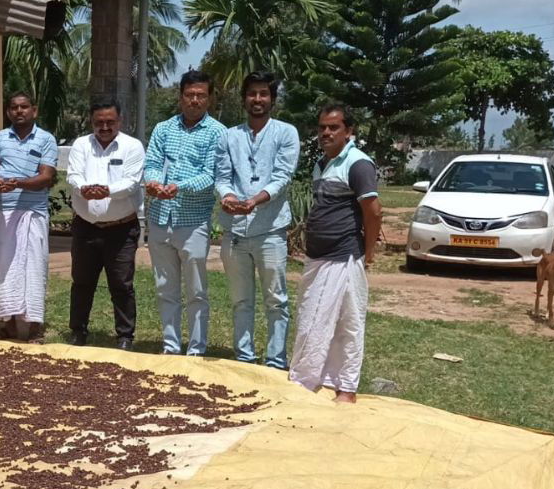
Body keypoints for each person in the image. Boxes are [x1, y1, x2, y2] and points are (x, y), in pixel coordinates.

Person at [289, 104, 383, 403]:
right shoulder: (322, 163)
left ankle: (345, 389)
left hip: (344, 257)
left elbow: (374, 212)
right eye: (322, 128)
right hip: (318, 259)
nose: (326, 133)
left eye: (334, 127)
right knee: (312, 321)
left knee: (346, 324)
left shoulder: (358, 164)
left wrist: (367, 254)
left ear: (349, 131)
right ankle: (315, 383)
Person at [215, 71, 300, 370]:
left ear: (272, 99)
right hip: (235, 231)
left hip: (271, 230)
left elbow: (282, 177)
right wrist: (227, 197)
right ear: (244, 99)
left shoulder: (286, 133)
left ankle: (276, 361)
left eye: (264, 93)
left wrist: (253, 200)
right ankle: (245, 359)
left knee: (276, 300)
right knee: (241, 300)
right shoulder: (229, 135)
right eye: (252, 93)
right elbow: (223, 176)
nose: (257, 99)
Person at [143, 70, 225, 356]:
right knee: (165, 287)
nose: (194, 100)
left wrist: (179, 187)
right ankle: (170, 345)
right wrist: (153, 182)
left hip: (193, 223)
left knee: (196, 290)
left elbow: (211, 176)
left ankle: (197, 348)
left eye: (201, 95)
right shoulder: (163, 129)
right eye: (189, 95)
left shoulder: (218, 133)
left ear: (209, 99)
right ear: (180, 97)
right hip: (159, 219)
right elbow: (151, 162)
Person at [65, 100, 145, 351]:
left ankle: (124, 336)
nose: (105, 127)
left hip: (121, 229)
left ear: (120, 122)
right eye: (99, 122)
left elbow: (132, 182)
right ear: (92, 122)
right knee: (82, 281)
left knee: (121, 284)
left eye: (110, 122)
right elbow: (73, 175)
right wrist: (83, 189)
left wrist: (105, 191)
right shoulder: (80, 145)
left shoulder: (132, 146)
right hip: (85, 227)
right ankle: (78, 332)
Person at [0, 92, 58, 343]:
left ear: (34, 110)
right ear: (8, 112)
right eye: (14, 108)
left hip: (33, 212)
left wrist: (17, 183)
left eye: (24, 107)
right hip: (3, 212)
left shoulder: (46, 139)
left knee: (34, 268)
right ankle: (9, 325)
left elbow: (46, 177)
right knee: (5, 267)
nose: (19, 111)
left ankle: (34, 327)